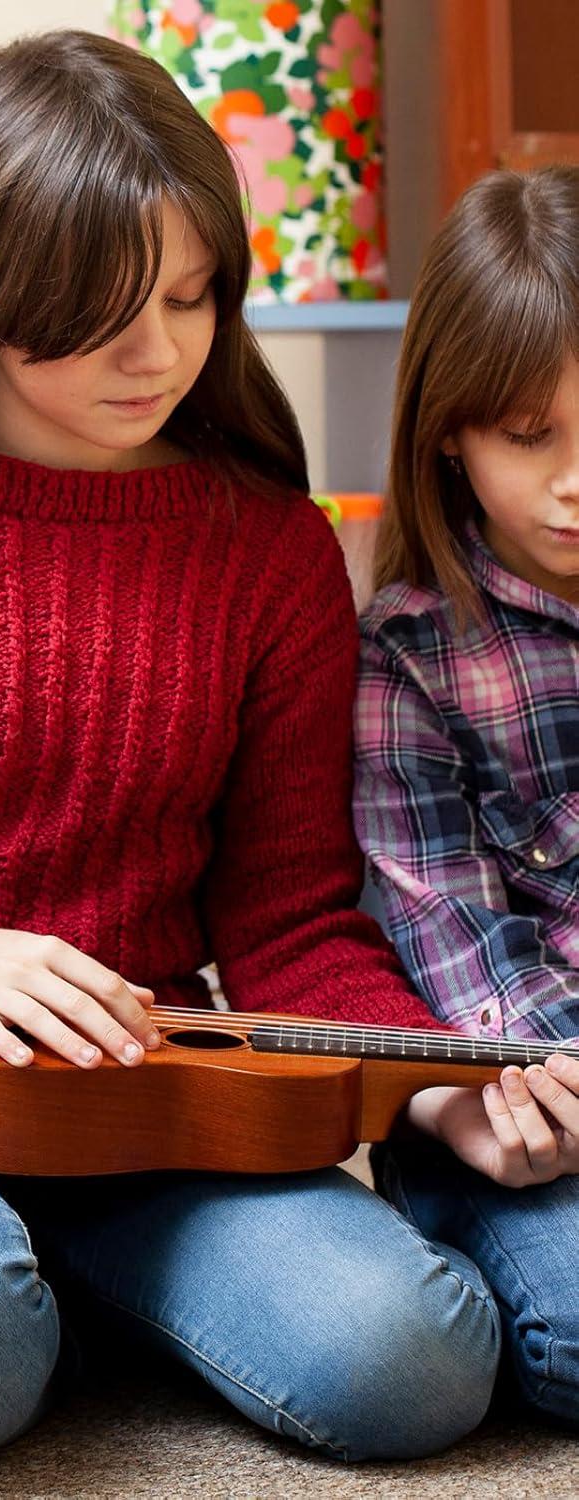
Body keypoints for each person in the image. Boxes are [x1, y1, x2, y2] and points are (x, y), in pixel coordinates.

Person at [0, 29, 532, 1468]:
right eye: (96, 315)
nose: (159, 353)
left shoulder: (267, 548)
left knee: (417, 1361)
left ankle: (71, 1291)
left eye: (193, 294)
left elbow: (287, 920)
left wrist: (446, 1076)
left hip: (150, 1097)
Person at [355, 165, 579, 1426]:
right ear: (450, 426)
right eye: (529, 435)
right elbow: (451, 942)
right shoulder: (410, 652)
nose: (574, 484)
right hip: (519, 1112)